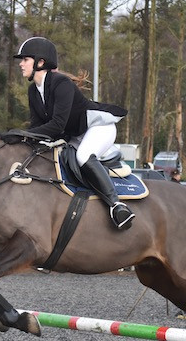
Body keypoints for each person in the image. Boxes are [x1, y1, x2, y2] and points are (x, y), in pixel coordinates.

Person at [14, 36, 134, 230]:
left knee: (83, 156)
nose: (21, 64)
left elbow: (56, 125)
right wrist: (20, 138)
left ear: (40, 62)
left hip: (98, 127)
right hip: (75, 133)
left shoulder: (61, 83)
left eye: (25, 59)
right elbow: (38, 126)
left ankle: (117, 206)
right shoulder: (33, 91)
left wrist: (21, 134)